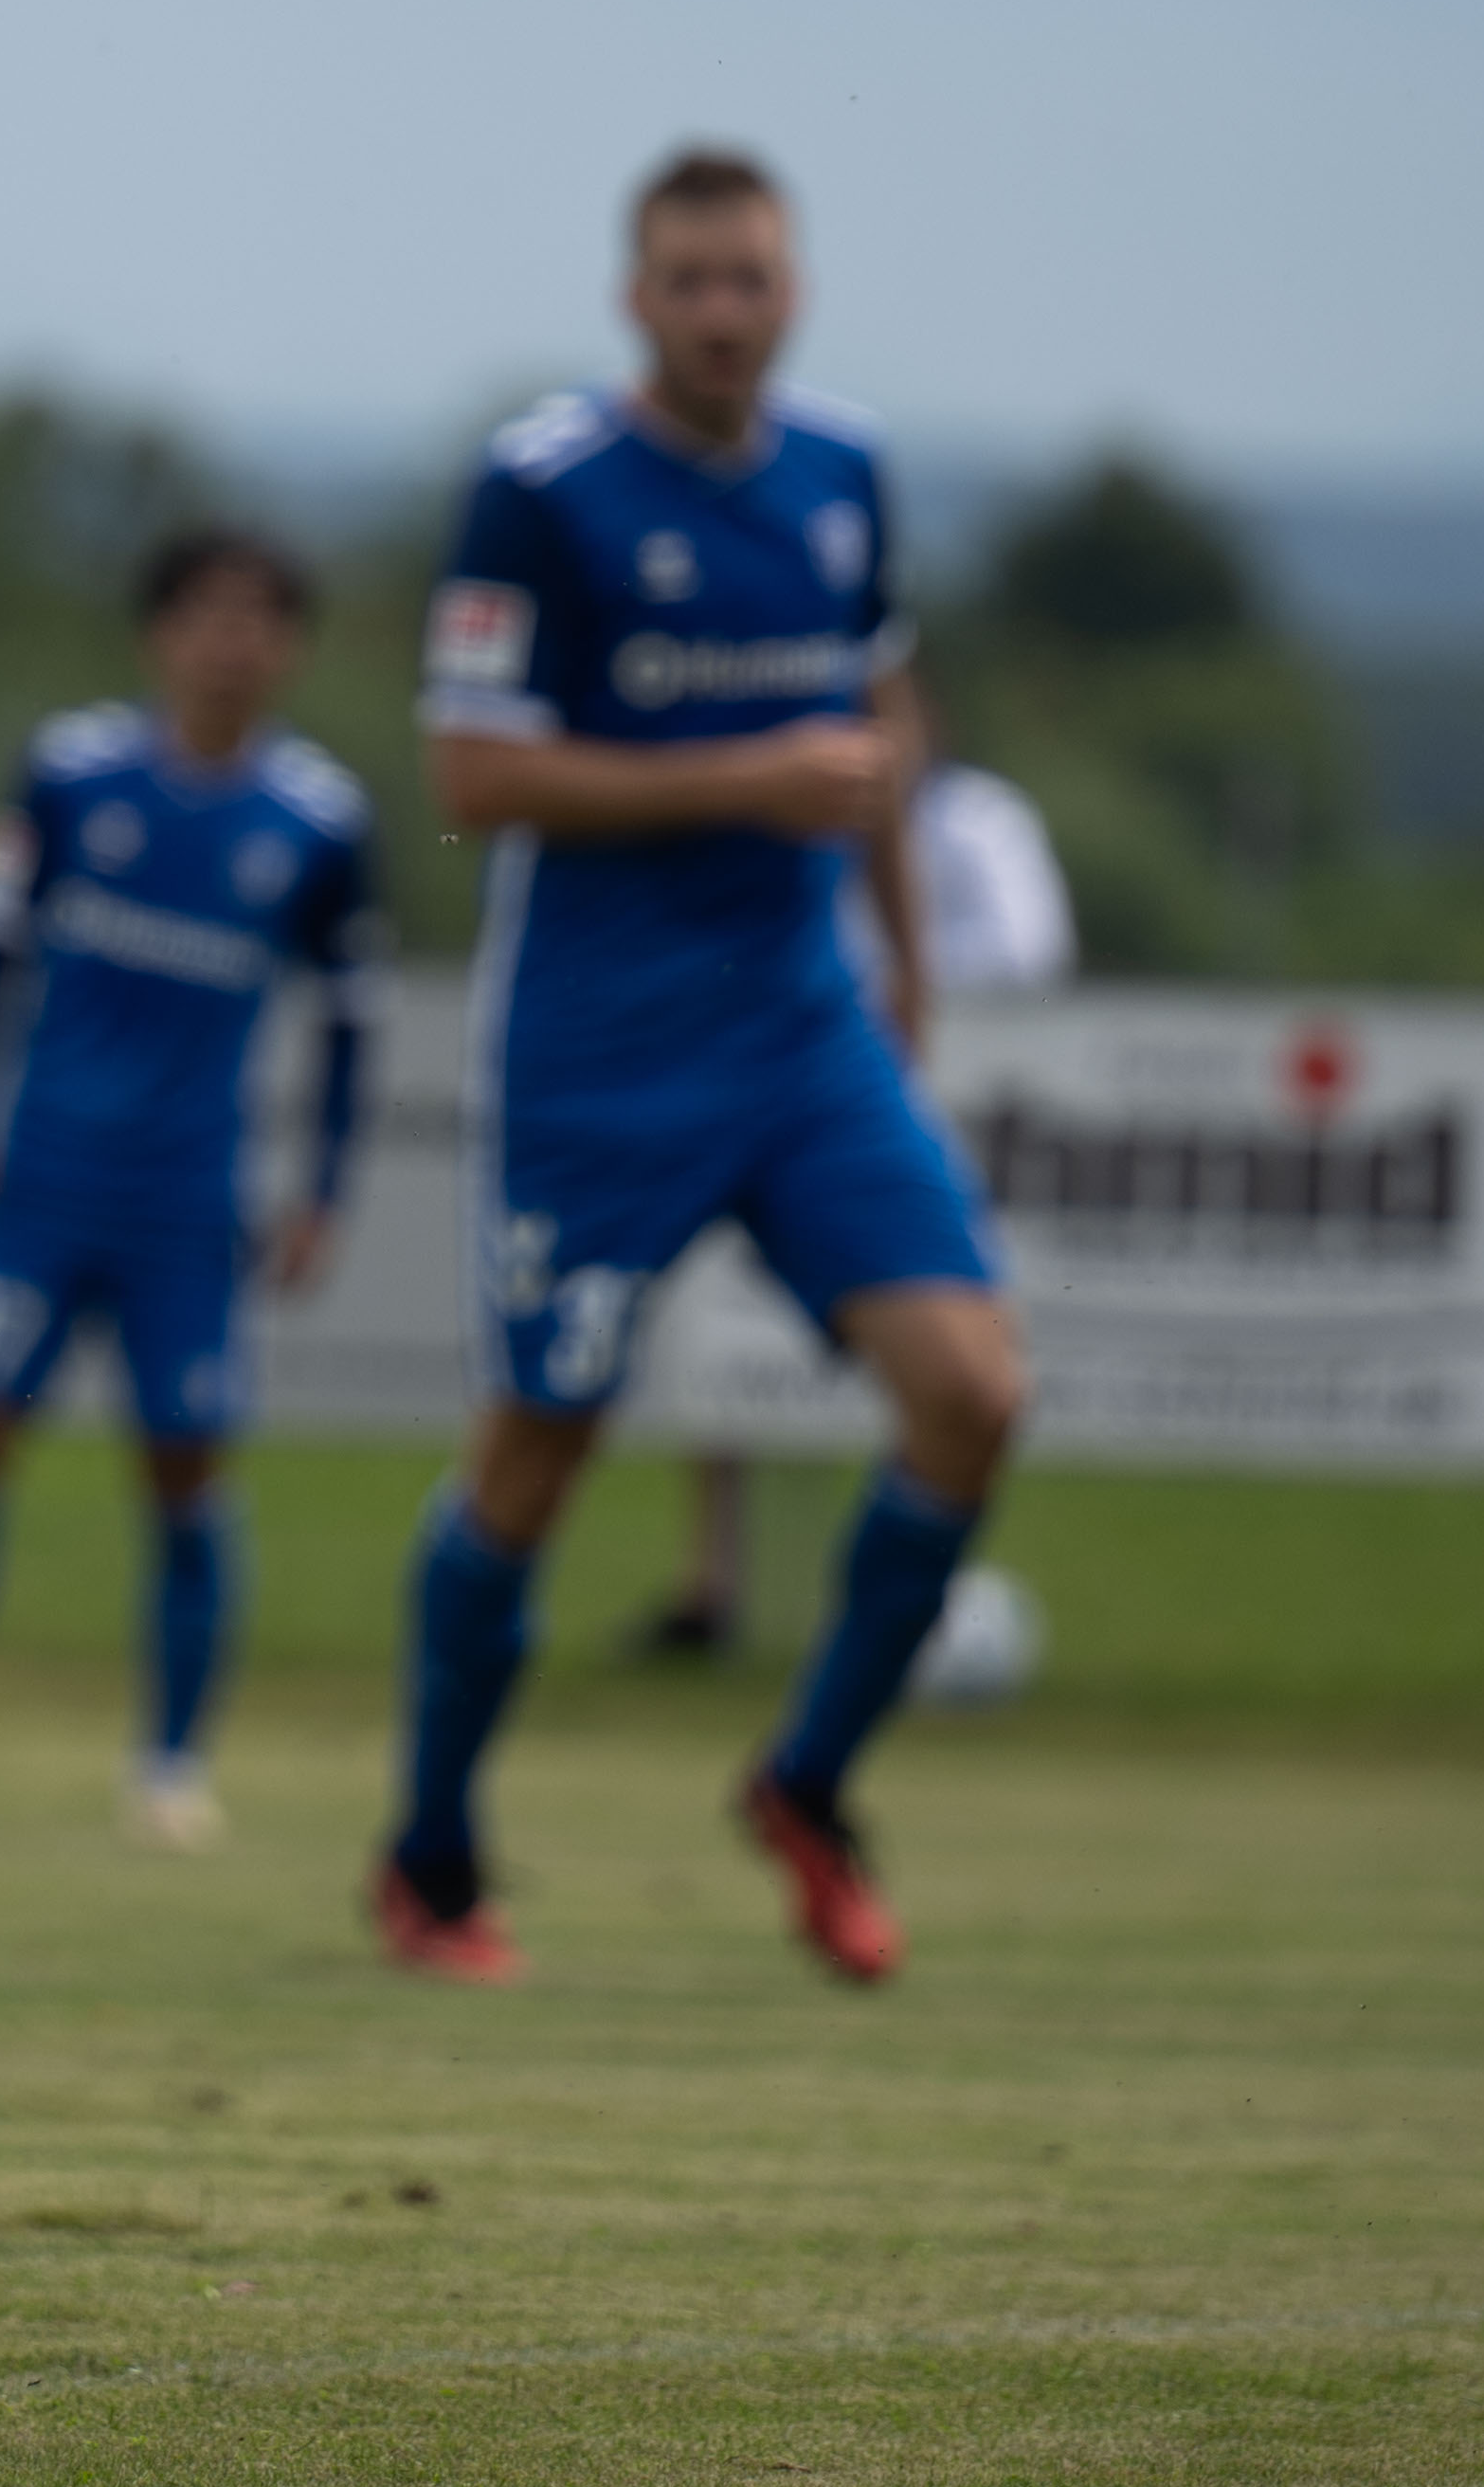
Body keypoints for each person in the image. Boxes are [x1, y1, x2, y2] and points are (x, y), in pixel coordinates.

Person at [378, 147, 1026, 1992]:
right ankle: (430, 1849)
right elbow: (471, 776)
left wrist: (902, 958)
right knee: (535, 1460)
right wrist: (745, 780)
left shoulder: (845, 473)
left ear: (795, 287)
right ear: (635, 298)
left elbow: (875, 733)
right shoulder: (543, 489)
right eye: (691, 279)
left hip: (808, 1035)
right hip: (596, 1057)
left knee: (973, 1395)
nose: (726, 309)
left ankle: (807, 1784)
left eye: (753, 276)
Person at [0, 529, 376, 1849]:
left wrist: (326, 1189)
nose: (231, 642)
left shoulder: (319, 820)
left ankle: (172, 1773)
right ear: (160, 634)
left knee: (187, 1470)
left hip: (189, 1200)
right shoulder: (74, 777)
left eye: (259, 619)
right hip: (39, 1180)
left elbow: (351, 1023)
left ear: (289, 647)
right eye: (206, 615)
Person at [625, 736, 1066, 1665]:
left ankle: (862, 1668)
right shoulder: (780, 796)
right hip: (775, 1089)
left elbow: (1030, 950)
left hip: (885, 1103)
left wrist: (892, 985)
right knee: (716, 1352)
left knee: (963, 1384)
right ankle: (716, 1587)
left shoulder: (980, 819)